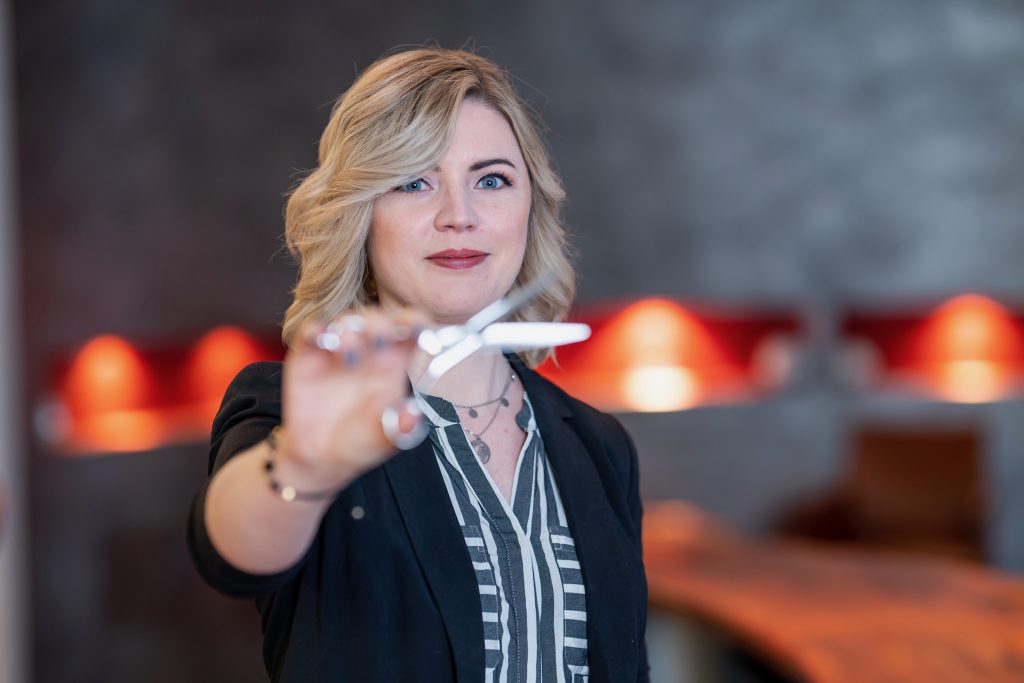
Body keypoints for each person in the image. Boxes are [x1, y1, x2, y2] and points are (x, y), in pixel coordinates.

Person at [188, 47, 648, 683]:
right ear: (360, 215)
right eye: (412, 182)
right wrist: (305, 466)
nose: (459, 215)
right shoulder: (294, 412)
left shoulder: (599, 446)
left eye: (492, 180)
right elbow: (233, 553)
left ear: (530, 208)